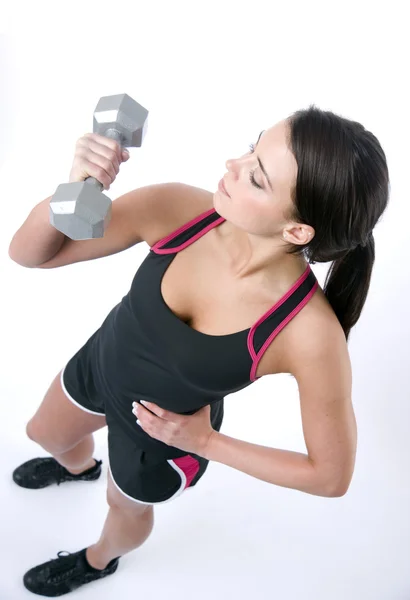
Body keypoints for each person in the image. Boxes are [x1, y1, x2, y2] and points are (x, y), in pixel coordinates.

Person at [8, 105, 390, 597]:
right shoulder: (177, 210)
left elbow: (331, 475)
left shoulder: (308, 333)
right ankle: (78, 466)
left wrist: (206, 444)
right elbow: (31, 254)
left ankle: (100, 560)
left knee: (124, 509)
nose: (232, 163)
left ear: (297, 231)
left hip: (158, 437)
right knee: (44, 433)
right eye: (253, 146)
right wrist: (78, 187)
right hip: (99, 363)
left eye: (256, 176)